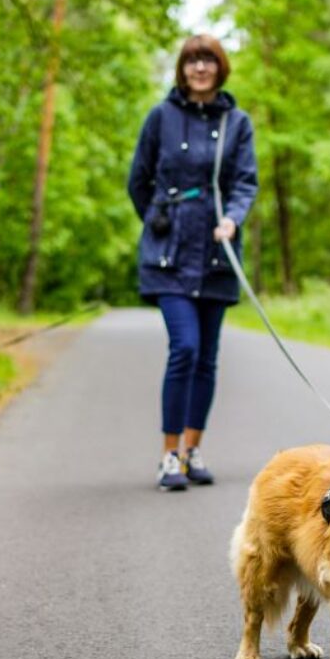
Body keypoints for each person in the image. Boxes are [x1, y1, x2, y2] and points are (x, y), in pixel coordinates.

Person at [128, 33, 258, 491]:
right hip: (169, 257)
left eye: (208, 60)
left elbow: (245, 182)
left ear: (220, 68)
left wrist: (233, 219)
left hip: (218, 254)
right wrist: (159, 220)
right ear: (182, 69)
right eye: (192, 61)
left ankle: (191, 450)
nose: (200, 68)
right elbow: (138, 180)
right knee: (184, 347)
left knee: (206, 357)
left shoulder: (237, 122)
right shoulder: (161, 117)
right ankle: (168, 455)